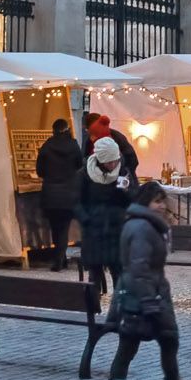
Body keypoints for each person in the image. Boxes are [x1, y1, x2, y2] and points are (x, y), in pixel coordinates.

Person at [107, 180, 191, 380]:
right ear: (145, 202)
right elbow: (139, 268)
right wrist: (148, 301)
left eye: (163, 201)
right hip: (145, 296)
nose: (162, 206)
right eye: (157, 201)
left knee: (163, 343)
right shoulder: (142, 227)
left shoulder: (146, 225)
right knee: (129, 348)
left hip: (150, 293)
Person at [77, 130, 130, 312]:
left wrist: (126, 193)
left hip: (116, 231)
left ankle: (119, 310)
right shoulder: (85, 173)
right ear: (100, 159)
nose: (113, 164)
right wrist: (87, 220)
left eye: (115, 160)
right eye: (109, 161)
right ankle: (93, 310)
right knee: (94, 273)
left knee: (119, 273)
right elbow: (76, 202)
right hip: (94, 232)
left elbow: (132, 199)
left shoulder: (123, 171)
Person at [33, 116, 84, 267]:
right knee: (64, 227)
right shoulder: (73, 145)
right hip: (69, 193)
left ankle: (59, 258)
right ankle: (59, 259)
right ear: (67, 129)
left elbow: (40, 170)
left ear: (53, 130)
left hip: (51, 193)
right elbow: (79, 165)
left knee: (55, 227)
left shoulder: (47, 146)